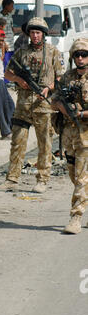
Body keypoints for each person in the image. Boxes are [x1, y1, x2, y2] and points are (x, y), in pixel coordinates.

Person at [0, 17, 64, 193]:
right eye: (32, 32)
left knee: (45, 144)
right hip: (23, 104)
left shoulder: (53, 52)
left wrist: (49, 88)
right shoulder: (21, 52)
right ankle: (12, 179)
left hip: (43, 105)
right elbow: (8, 73)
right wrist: (18, 79)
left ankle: (42, 179)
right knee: (17, 142)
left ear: (44, 34)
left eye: (38, 33)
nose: (35, 36)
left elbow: (60, 79)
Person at [51, 39, 88, 234]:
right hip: (69, 136)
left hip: (86, 136)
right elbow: (54, 99)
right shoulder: (67, 78)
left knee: (81, 177)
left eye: (84, 55)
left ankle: (76, 216)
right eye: (77, 55)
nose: (80, 59)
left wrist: (80, 113)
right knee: (74, 175)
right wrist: (63, 108)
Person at [0, 0, 16, 78]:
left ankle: (10, 79)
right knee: (5, 62)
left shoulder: (10, 16)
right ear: (6, 6)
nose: (13, 8)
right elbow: (0, 31)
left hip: (11, 43)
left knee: (10, 63)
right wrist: (4, 43)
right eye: (11, 6)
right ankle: (5, 80)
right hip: (5, 44)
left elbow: (11, 27)